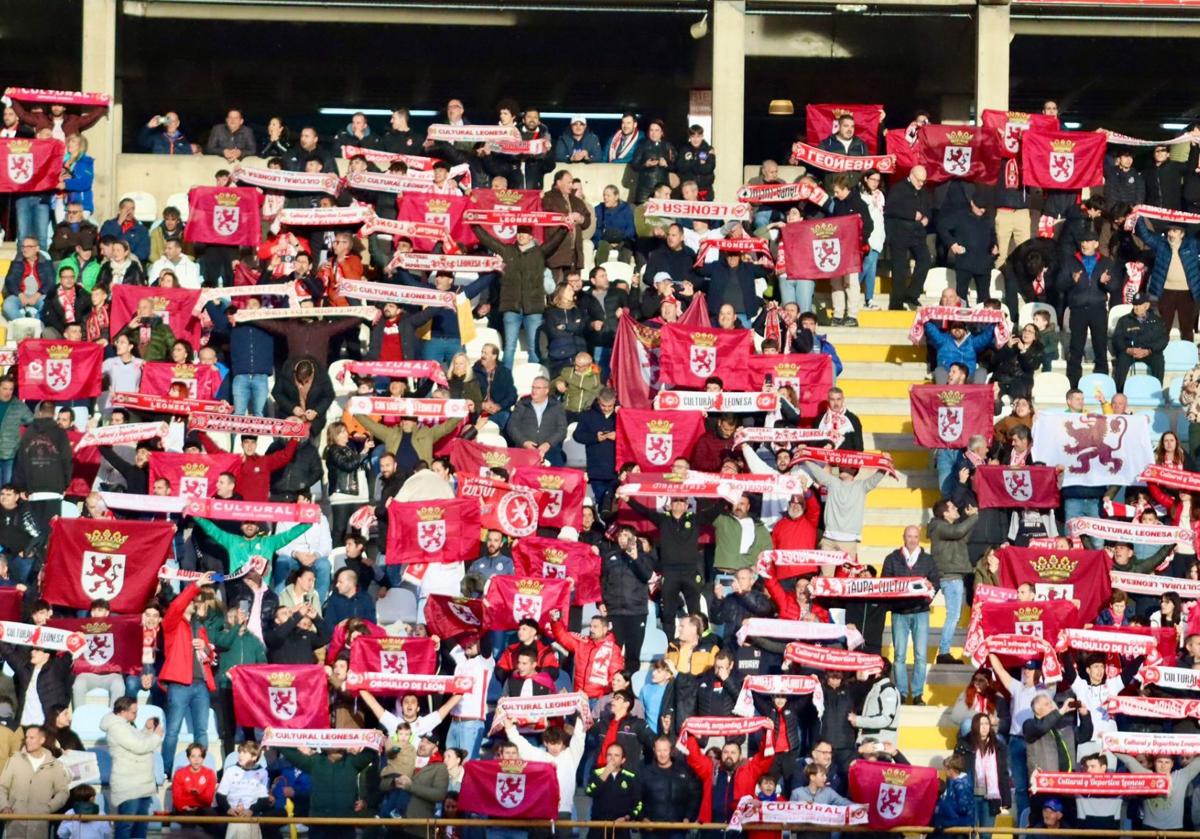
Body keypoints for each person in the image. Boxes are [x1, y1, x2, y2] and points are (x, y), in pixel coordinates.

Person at [470, 222, 567, 368]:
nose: (521, 236)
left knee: (534, 348)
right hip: (511, 307)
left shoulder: (539, 252)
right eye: (519, 233)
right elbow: (489, 241)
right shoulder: (507, 250)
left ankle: (535, 378)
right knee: (509, 348)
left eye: (525, 233)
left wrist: (565, 227)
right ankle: (506, 380)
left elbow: (554, 242)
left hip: (534, 308)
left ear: (531, 236)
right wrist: (475, 226)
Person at [158, 573, 218, 767]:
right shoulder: (172, 624)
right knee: (173, 730)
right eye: (191, 601)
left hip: (200, 684)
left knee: (202, 731)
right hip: (179, 684)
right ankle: (166, 769)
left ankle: (203, 766)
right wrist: (197, 584)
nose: (194, 603)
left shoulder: (199, 628)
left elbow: (209, 657)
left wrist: (206, 648)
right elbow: (176, 606)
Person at [883, 525, 939, 705]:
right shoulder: (892, 559)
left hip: (920, 612)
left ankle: (917, 694)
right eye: (909, 536)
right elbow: (885, 584)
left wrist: (926, 600)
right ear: (903, 537)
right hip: (899, 612)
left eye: (915, 536)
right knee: (899, 655)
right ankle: (900, 692)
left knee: (921, 656)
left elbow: (935, 583)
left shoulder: (928, 560)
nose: (913, 540)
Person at [100, 696, 163, 839]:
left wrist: (147, 730)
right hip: (129, 786)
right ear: (123, 711)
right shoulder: (117, 727)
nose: (136, 715)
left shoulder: (125, 725)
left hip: (140, 784)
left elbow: (137, 741)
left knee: (140, 828)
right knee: (126, 827)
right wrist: (156, 737)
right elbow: (139, 747)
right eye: (134, 712)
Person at [1059, 229, 1115, 389]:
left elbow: (1115, 285)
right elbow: (1059, 284)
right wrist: (1071, 280)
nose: (1084, 244)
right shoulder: (1070, 261)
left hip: (1098, 309)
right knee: (1076, 349)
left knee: (1100, 347)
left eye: (1089, 241)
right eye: (1082, 241)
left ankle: (1103, 383)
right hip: (1078, 309)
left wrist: (1106, 282)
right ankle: (1073, 387)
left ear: (1096, 244)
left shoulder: (1106, 262)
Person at [928, 498, 978, 665]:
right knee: (953, 616)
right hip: (950, 577)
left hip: (954, 576)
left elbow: (962, 536)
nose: (957, 508)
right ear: (945, 513)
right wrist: (973, 517)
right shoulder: (939, 526)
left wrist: (969, 519)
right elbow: (958, 532)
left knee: (953, 615)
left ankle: (944, 652)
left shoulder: (946, 527)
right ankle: (943, 652)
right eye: (952, 507)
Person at [1136, 215, 1200, 342]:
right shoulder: (1161, 244)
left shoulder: (1192, 244)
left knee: (1187, 329)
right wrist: (1139, 217)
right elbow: (1146, 236)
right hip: (1166, 292)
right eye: (1169, 230)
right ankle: (1161, 358)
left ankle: (1187, 359)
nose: (1171, 233)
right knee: (1163, 328)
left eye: (1175, 231)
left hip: (1187, 293)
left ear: (1182, 234)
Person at [0, 726, 71, 839]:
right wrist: (4, 806)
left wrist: (48, 808)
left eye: (32, 738)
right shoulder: (14, 760)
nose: (27, 740)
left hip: (39, 827)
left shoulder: (54, 765)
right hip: (14, 825)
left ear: (42, 740)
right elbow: (2, 787)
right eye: (26, 737)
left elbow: (63, 792)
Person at [885, 164, 932, 310]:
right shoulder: (898, 189)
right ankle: (896, 302)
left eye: (923, 181)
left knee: (925, 260)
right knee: (899, 268)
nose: (921, 183)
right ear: (911, 176)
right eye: (919, 180)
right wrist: (912, 214)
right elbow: (890, 209)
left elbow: (928, 208)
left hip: (917, 233)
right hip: (899, 233)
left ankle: (912, 294)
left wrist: (926, 218)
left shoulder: (924, 191)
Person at [584, 743, 643, 839]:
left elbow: (639, 805)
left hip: (621, 828)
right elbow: (589, 791)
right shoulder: (596, 773)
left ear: (623, 760)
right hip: (598, 828)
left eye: (616, 755)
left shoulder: (630, 777)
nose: (612, 758)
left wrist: (627, 818)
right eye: (609, 755)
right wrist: (606, 772)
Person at [506, 376, 569, 466]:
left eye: (538, 388)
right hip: (525, 450)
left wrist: (548, 444)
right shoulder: (522, 404)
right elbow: (512, 426)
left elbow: (562, 429)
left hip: (550, 451)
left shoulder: (556, 406)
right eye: (533, 387)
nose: (534, 391)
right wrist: (524, 442)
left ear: (546, 390)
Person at [1112, 292, 1168, 391]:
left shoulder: (1157, 321)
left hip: (1149, 352)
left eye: (1139, 305)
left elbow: (1163, 340)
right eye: (1135, 305)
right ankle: (1119, 392)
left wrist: (1149, 350)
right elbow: (1117, 339)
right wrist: (1128, 349)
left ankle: (1157, 391)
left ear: (1147, 305)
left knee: (1158, 360)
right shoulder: (1124, 320)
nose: (1136, 307)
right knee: (1121, 360)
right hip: (1130, 352)